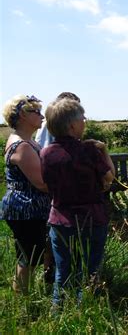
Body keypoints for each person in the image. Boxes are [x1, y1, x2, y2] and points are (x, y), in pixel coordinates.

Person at [40, 99, 115, 306]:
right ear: (72, 125)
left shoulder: (45, 153)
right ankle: (87, 311)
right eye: (83, 118)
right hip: (91, 219)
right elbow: (110, 178)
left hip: (60, 220)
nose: (85, 122)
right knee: (91, 271)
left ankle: (59, 313)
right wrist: (105, 150)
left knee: (63, 272)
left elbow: (46, 184)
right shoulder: (89, 150)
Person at [1, 94, 51, 293]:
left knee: (31, 255)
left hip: (30, 208)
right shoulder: (22, 146)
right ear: (22, 115)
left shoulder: (27, 141)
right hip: (25, 209)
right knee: (28, 259)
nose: (41, 116)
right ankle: (22, 302)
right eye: (36, 111)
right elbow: (41, 183)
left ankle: (26, 296)